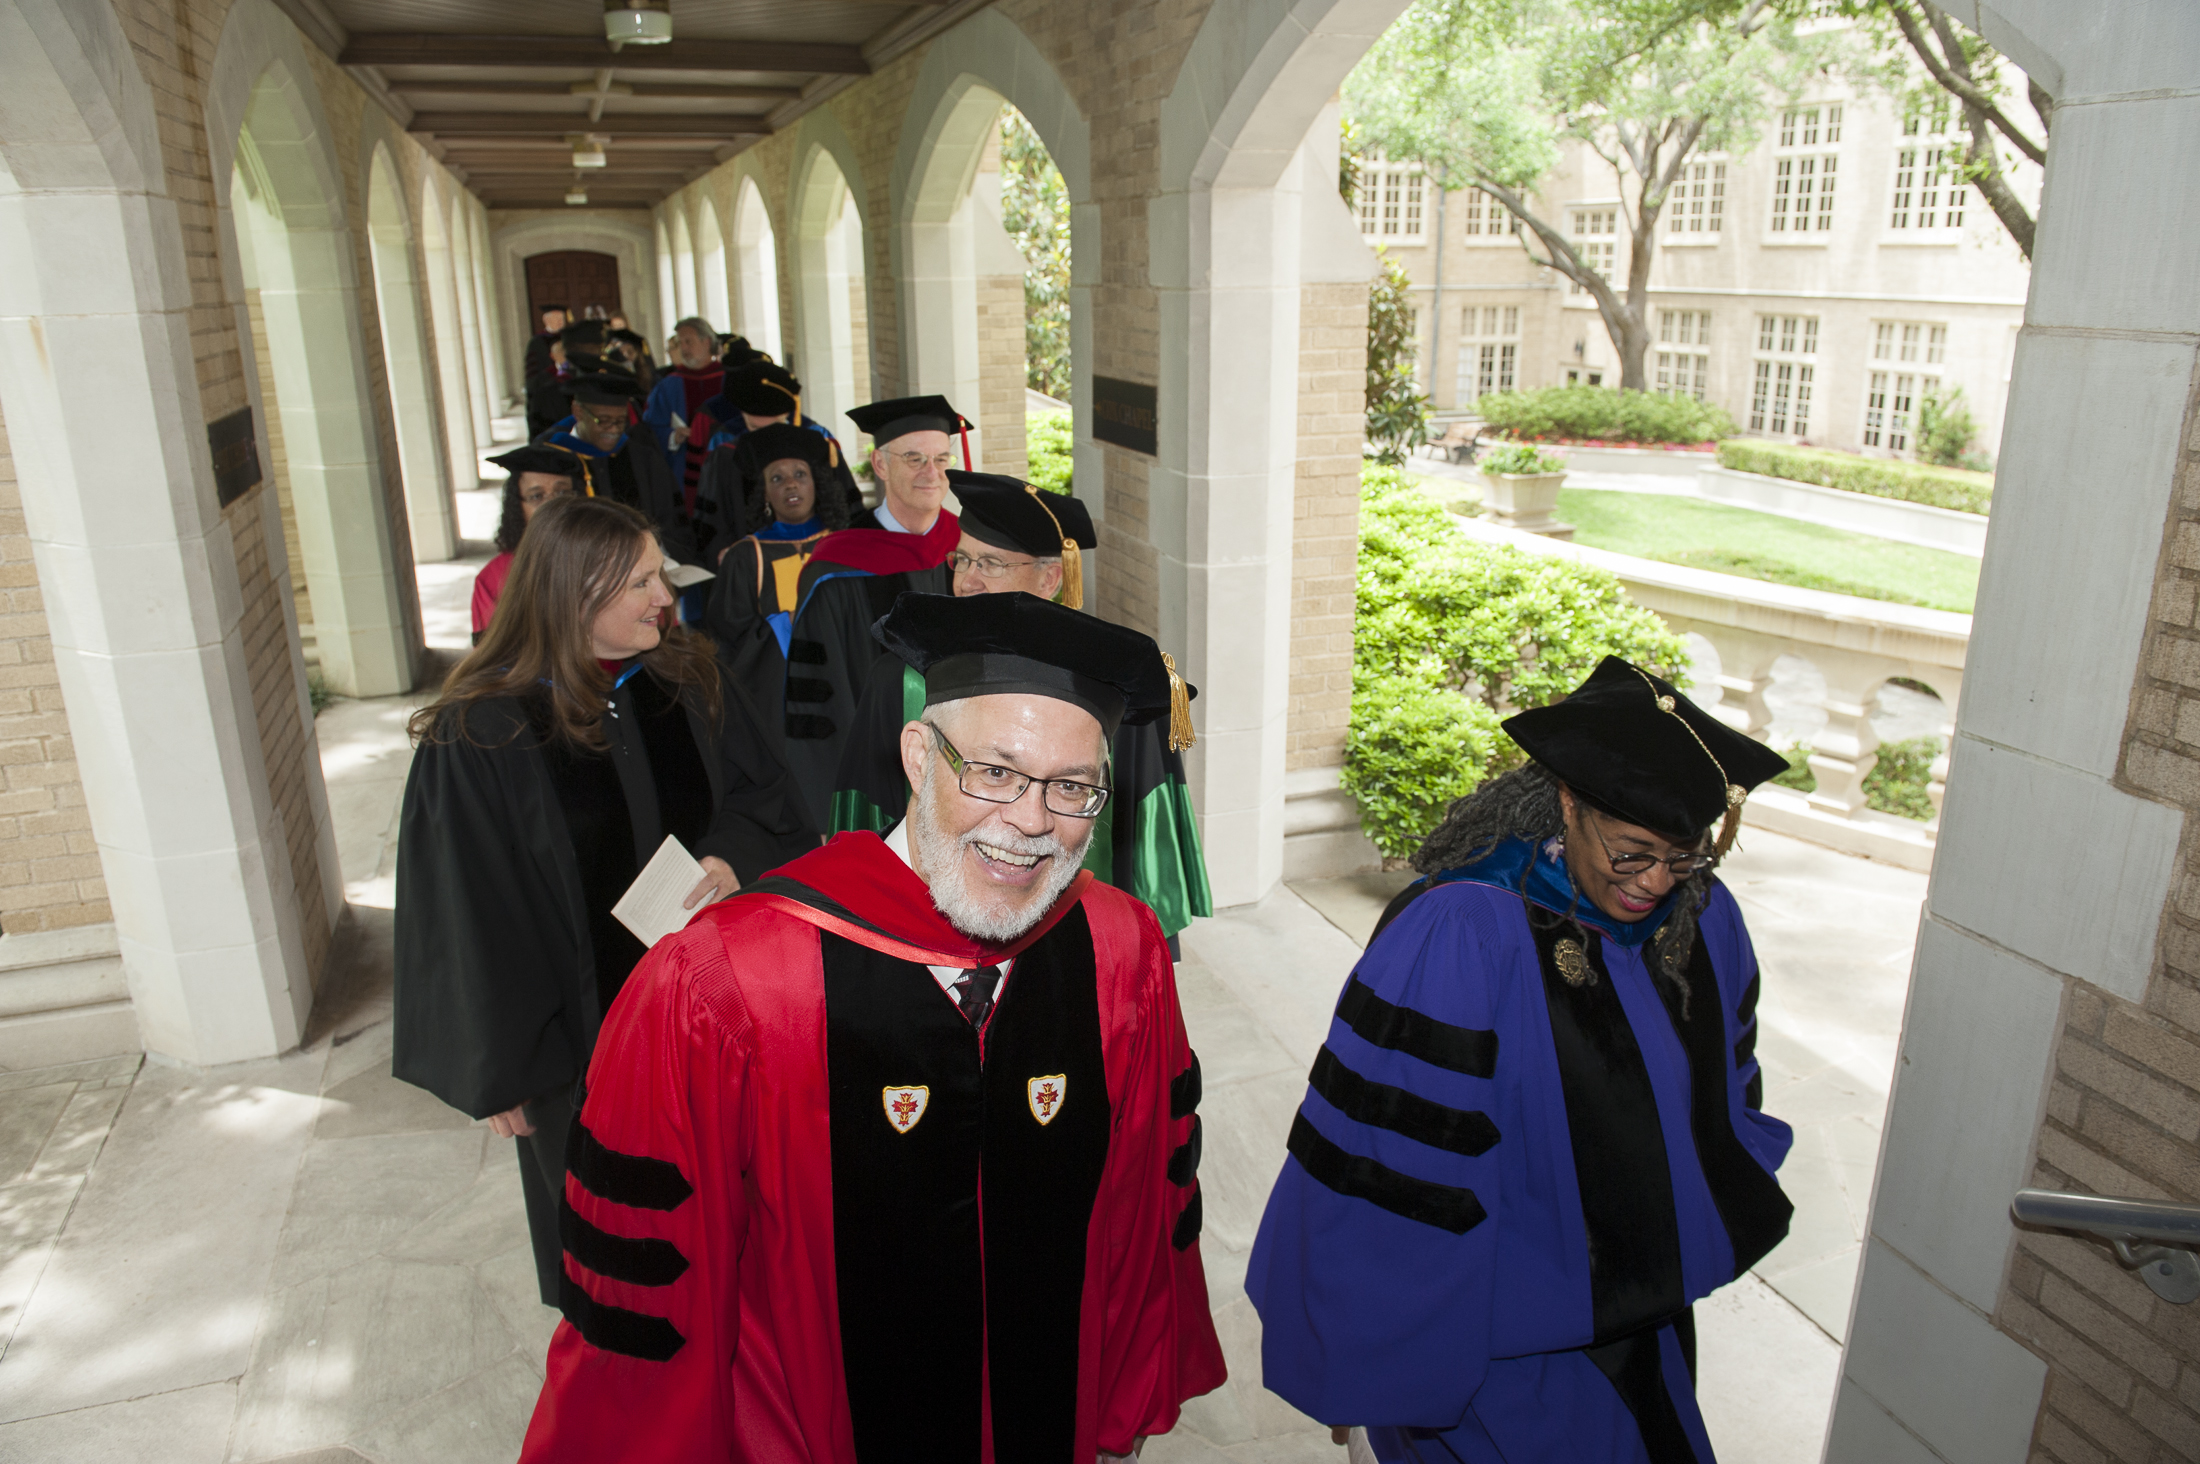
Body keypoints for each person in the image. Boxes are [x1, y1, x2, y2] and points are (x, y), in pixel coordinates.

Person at [516, 589, 1225, 1462]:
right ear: (918, 753)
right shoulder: (726, 982)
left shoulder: (1122, 948)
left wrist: (1123, 1398)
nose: (1033, 822)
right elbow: (646, 1301)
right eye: (995, 772)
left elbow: (1145, 1205)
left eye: (1073, 787)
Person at [1245, 655, 1796, 1462]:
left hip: (1647, 1319)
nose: (1654, 883)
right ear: (1569, 802)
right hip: (1491, 1350)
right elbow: (1385, 1164)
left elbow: (1732, 1089)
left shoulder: (1705, 920)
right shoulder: (1465, 933)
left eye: (1683, 858)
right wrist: (1362, 1358)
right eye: (1631, 851)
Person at [393, 496, 819, 1310]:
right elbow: (466, 918)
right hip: (576, 1051)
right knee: (618, 1252)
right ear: (574, 595)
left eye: (660, 574)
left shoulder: (687, 676)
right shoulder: (481, 735)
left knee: (733, 1223)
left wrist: (733, 857)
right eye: (641, 582)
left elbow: (767, 795)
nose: (666, 596)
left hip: (713, 1011)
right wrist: (501, 1072)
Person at [831, 470, 1214, 951]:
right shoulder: (901, 678)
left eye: (990, 563)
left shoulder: (1104, 689)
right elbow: (867, 815)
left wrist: (1130, 958)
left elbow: (1144, 853)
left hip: (1072, 938)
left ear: (1051, 577)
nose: (967, 580)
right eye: (962, 559)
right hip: (921, 934)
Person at [763, 394, 967, 827]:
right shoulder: (836, 569)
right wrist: (831, 813)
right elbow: (819, 708)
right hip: (876, 790)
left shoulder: (968, 554)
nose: (931, 473)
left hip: (967, 780)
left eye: (940, 459)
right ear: (880, 464)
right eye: (914, 459)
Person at [689, 360, 861, 556]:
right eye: (756, 429)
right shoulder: (726, 457)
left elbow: (848, 513)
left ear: (787, 414)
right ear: (743, 415)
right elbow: (712, 527)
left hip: (820, 556)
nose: (767, 441)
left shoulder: (819, 447)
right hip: (753, 567)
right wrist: (724, 555)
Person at [541, 372, 699, 567]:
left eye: (620, 421)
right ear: (578, 411)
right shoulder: (551, 461)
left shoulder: (643, 459)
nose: (614, 430)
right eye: (604, 420)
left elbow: (671, 520)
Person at [471, 444, 580, 641]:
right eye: (537, 496)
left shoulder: (605, 558)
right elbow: (491, 657)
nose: (551, 504)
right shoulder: (493, 578)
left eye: (562, 493)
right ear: (517, 507)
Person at [640, 316, 723, 514]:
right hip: (683, 467)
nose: (684, 348)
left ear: (707, 342)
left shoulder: (728, 380)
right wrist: (673, 436)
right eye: (680, 342)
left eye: (689, 341)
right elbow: (649, 428)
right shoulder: (668, 385)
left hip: (723, 465)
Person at [524, 303, 569, 441]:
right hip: (545, 402)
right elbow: (532, 378)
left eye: (562, 318)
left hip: (568, 400)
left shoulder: (569, 338)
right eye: (556, 318)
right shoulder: (536, 343)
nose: (560, 322)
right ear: (546, 320)